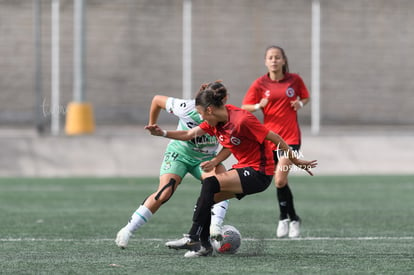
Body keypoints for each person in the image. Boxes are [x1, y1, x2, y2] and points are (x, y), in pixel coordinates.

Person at [145, 81, 317, 257]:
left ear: (210, 109)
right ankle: (204, 246)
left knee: (210, 183)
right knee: (207, 198)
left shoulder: (242, 119)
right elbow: (189, 134)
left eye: (201, 114)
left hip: (260, 172)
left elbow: (274, 137)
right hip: (244, 168)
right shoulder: (215, 122)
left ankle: (192, 237)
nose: (201, 118)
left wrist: (295, 160)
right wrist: (163, 133)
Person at [115, 93, 232, 249]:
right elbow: (157, 100)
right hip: (180, 155)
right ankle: (127, 230)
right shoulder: (186, 107)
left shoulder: (229, 116)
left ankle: (215, 230)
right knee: (165, 192)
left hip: (205, 159)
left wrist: (215, 161)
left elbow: (231, 143)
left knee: (222, 185)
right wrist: (153, 125)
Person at [241, 45, 310, 238]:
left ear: (283, 60)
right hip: (269, 139)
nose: (274, 60)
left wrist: (300, 104)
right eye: (270, 57)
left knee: (279, 180)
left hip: (290, 139)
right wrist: (258, 105)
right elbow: (244, 107)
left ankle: (283, 218)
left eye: (277, 57)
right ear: (265, 61)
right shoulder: (259, 84)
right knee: (279, 182)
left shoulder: (294, 80)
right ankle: (294, 218)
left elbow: (306, 97)